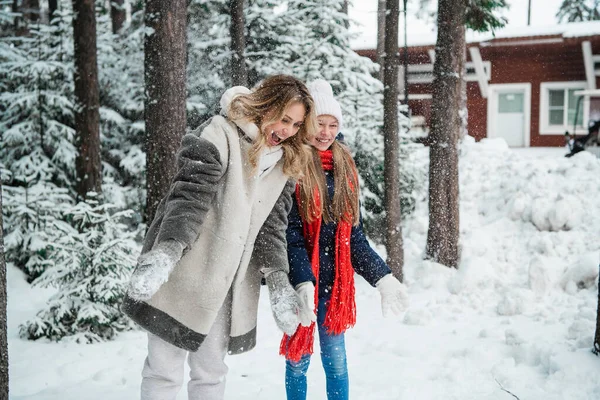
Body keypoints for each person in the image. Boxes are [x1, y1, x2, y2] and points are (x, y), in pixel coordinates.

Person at [121, 74, 320, 400]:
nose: (288, 131)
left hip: (228, 285)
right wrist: (166, 253)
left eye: (297, 125)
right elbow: (188, 198)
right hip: (185, 272)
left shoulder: (285, 162)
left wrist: (280, 282)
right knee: (163, 372)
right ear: (265, 106)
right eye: (284, 119)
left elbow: (272, 227)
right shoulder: (219, 134)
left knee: (211, 375)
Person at [280, 80, 409, 400]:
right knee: (298, 362)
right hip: (302, 285)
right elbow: (289, 234)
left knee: (336, 363)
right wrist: (302, 282)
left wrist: (383, 277)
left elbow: (355, 238)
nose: (325, 132)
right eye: (319, 124)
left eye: (332, 125)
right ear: (306, 124)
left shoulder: (345, 168)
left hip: (334, 286)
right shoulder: (289, 165)